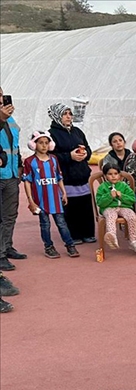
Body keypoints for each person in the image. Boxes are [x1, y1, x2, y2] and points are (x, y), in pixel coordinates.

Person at [22, 130, 80, 259]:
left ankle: (70, 245)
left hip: (55, 199)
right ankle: (48, 247)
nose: (44, 146)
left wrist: (63, 193)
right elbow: (27, 182)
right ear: (33, 145)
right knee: (45, 224)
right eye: (41, 143)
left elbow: (59, 177)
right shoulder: (30, 162)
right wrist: (30, 201)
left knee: (62, 223)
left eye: (46, 143)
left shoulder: (54, 159)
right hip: (40, 201)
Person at [48, 102, 95, 245]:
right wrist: (70, 156)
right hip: (66, 177)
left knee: (85, 206)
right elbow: (51, 156)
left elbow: (88, 148)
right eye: (65, 114)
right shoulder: (51, 135)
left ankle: (88, 233)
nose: (69, 117)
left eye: (70, 114)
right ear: (57, 116)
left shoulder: (77, 132)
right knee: (71, 207)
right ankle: (74, 235)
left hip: (81, 175)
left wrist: (85, 153)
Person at [0, 86, 24, 271]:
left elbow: (14, 145)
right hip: (1, 174)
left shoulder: (11, 119)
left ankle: (6, 246)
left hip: (12, 173)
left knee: (10, 214)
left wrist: (20, 166)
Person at [96, 162, 136, 254]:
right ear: (105, 176)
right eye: (110, 174)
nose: (113, 176)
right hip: (108, 208)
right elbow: (100, 203)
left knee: (131, 216)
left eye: (115, 174)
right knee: (111, 216)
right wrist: (109, 196)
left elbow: (132, 200)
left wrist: (121, 196)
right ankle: (112, 236)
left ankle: (133, 240)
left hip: (124, 207)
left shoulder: (124, 186)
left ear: (119, 175)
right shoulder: (102, 187)